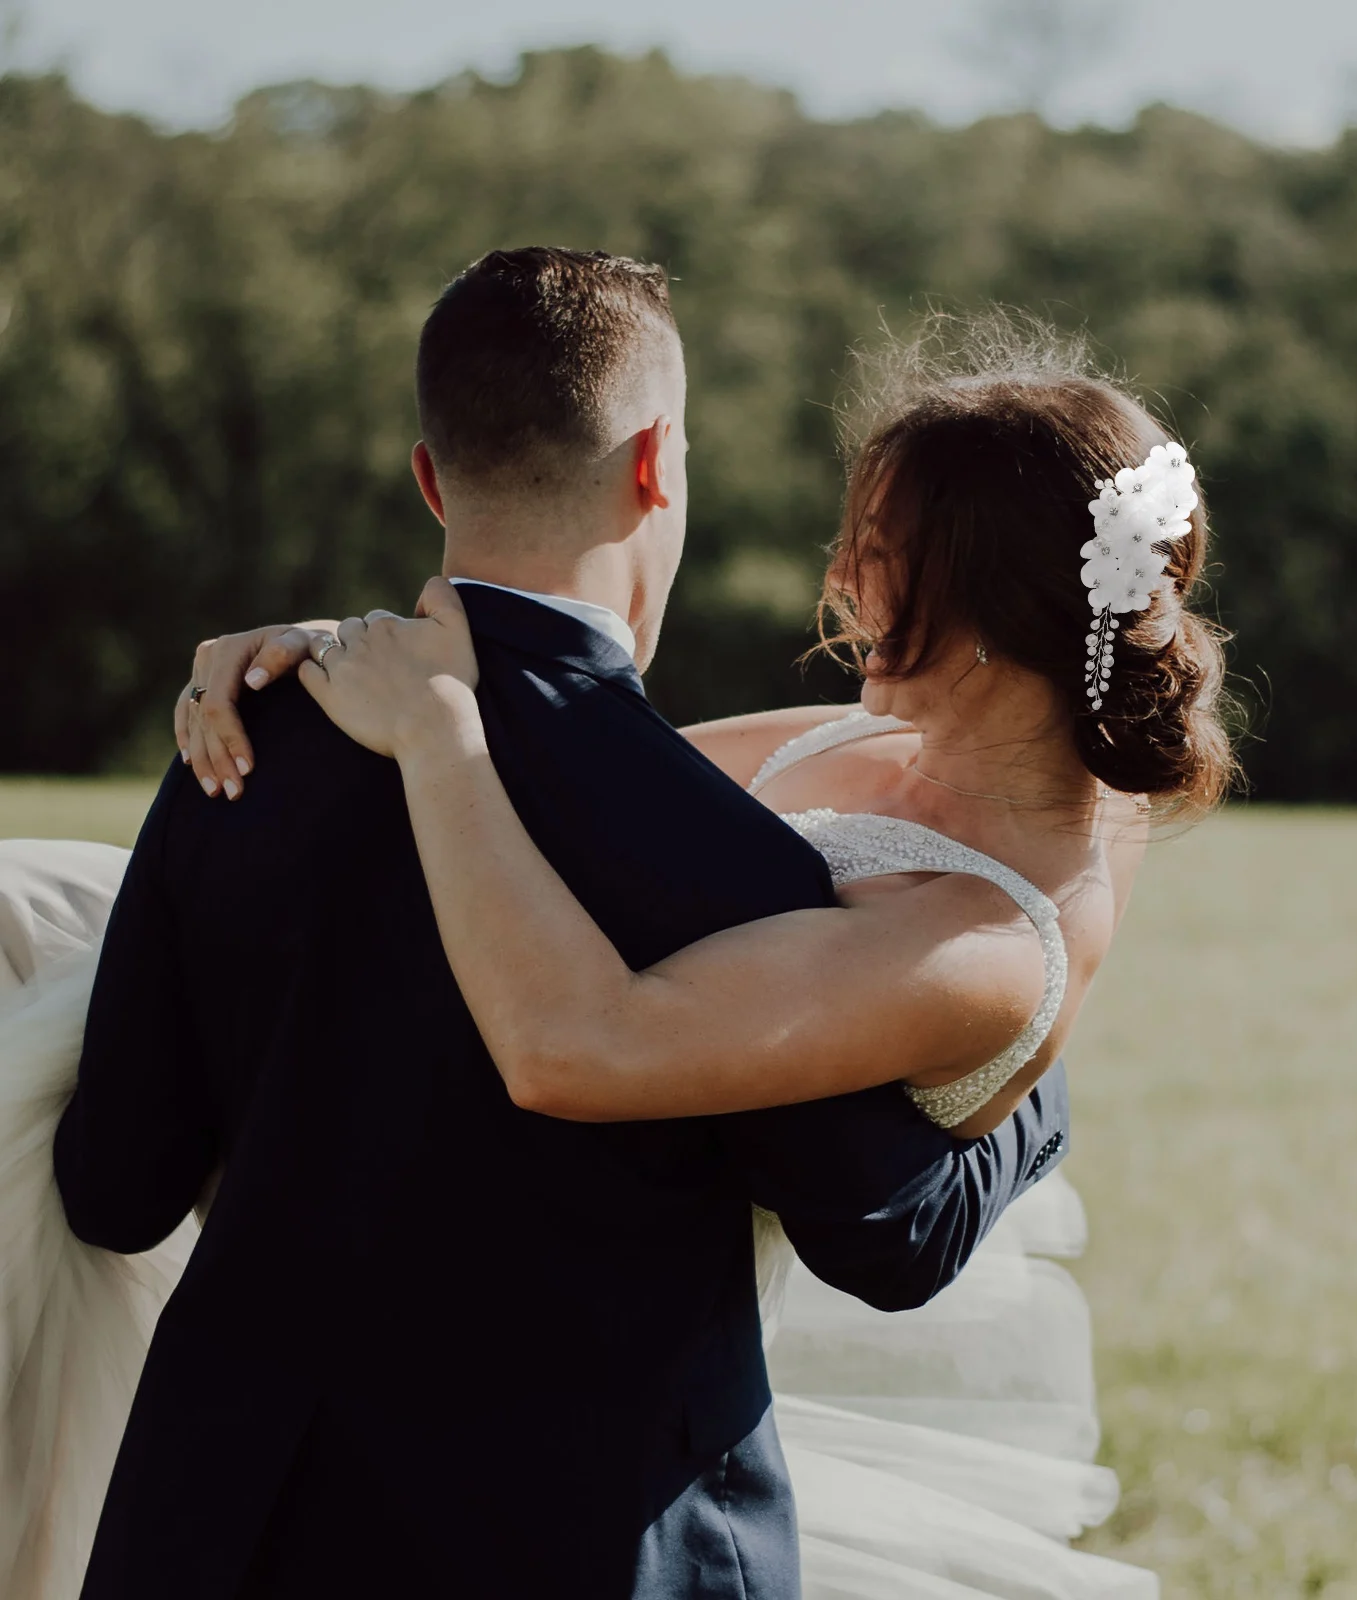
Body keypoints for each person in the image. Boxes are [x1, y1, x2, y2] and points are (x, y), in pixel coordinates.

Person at [1, 249, 1073, 1600]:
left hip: (228, 1530)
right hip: (586, 1546)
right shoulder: (728, 857)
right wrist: (1041, 1014)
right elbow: (893, 1238)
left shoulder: (238, 740)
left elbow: (115, 1188)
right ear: (657, 469)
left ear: (432, 478)